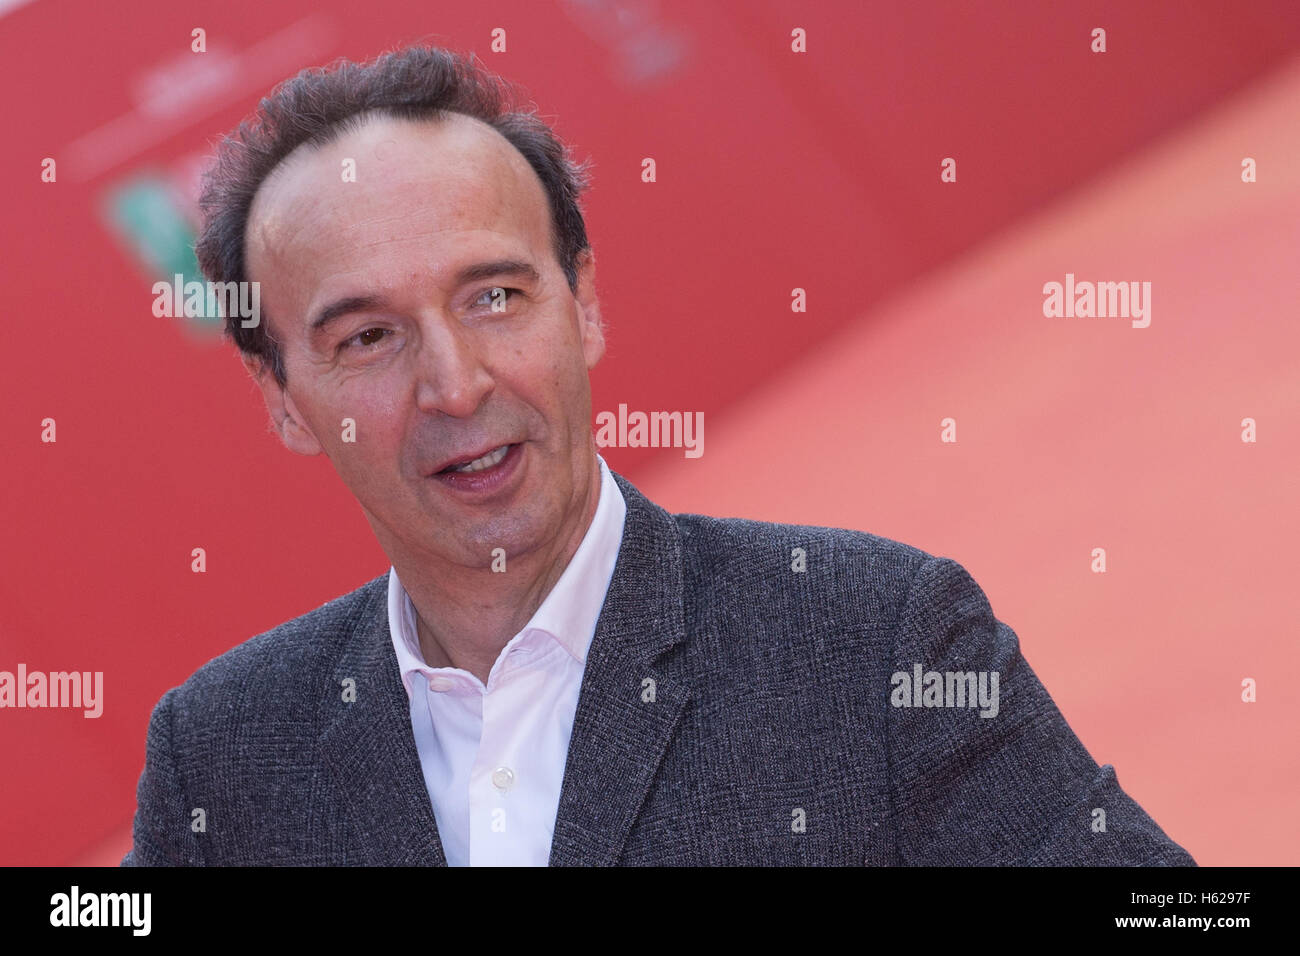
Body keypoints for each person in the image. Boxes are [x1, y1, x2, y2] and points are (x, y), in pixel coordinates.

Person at [123, 45, 1194, 866]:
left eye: (494, 296)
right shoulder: (216, 755)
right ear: (283, 401)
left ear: (582, 304)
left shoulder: (877, 638)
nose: (454, 384)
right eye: (366, 337)